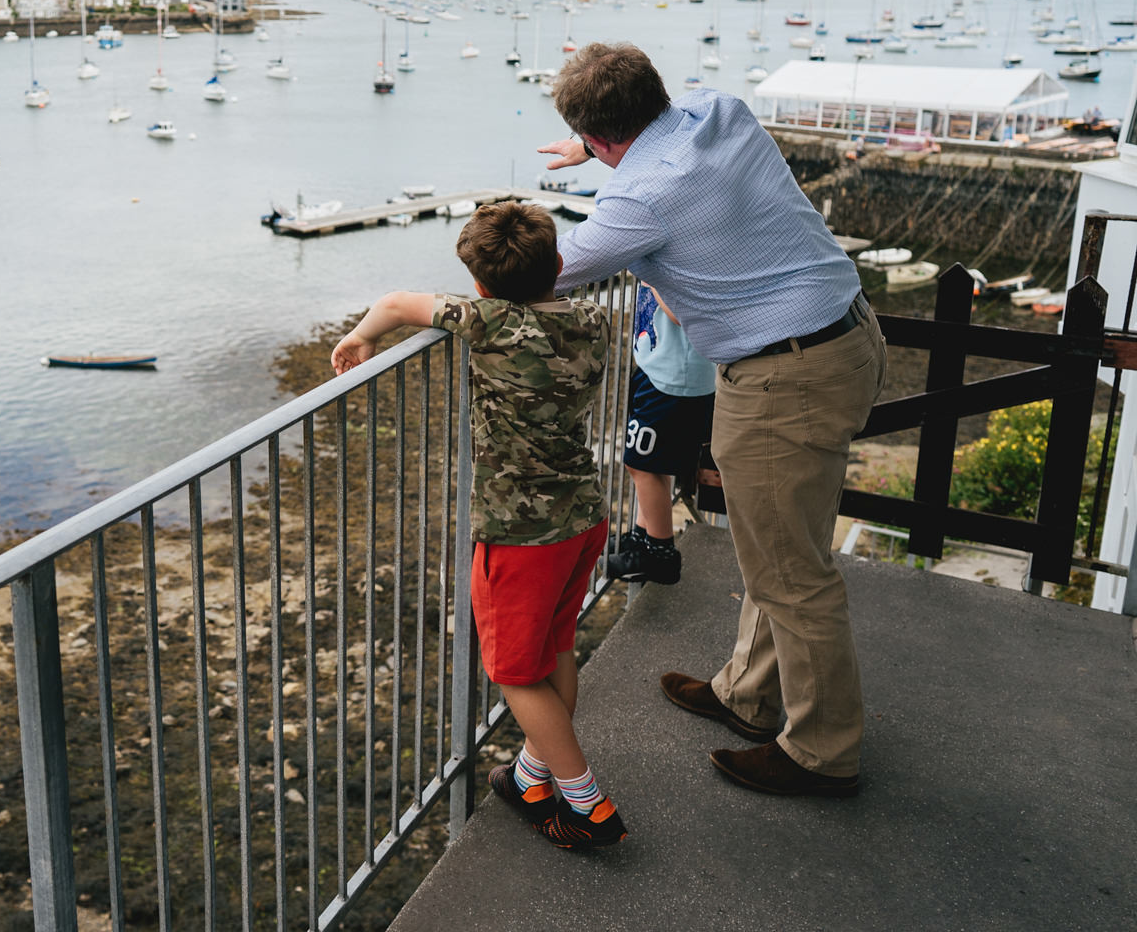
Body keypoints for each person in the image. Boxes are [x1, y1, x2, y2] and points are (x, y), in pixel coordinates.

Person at [541, 42, 885, 799]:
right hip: (846, 337)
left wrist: (404, 306)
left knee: (793, 574)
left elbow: (538, 273)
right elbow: (643, 133)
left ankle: (823, 752)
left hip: (783, 378)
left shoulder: (637, 201)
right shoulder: (716, 108)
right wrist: (598, 146)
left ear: (600, 141)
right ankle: (751, 695)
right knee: (777, 542)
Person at [331, 201, 625, 848]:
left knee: (517, 674)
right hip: (582, 514)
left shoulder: (486, 321)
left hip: (521, 535)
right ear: (557, 265)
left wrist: (361, 336)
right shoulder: (594, 318)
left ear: (479, 286)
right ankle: (529, 775)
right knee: (555, 650)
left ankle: (587, 805)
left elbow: (399, 302)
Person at [608, 282, 716, 585]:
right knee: (654, 462)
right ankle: (644, 536)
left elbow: (686, 314)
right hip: (664, 371)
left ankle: (660, 553)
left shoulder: (685, 254)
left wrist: (652, 276)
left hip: (675, 379)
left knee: (641, 464)